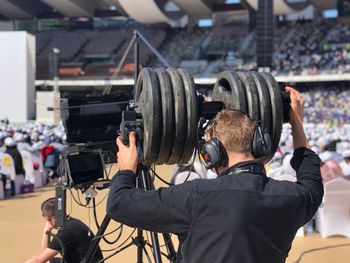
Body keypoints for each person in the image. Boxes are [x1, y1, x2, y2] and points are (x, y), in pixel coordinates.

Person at [107, 87, 323, 263]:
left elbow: (119, 204)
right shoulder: (294, 198)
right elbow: (311, 176)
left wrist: (127, 168)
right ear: (259, 145)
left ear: (211, 153)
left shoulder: (197, 196)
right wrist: (296, 122)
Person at [24, 198, 103, 263]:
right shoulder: (71, 223)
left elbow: (39, 260)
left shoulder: (67, 231)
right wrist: (47, 229)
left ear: (47, 217)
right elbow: (46, 253)